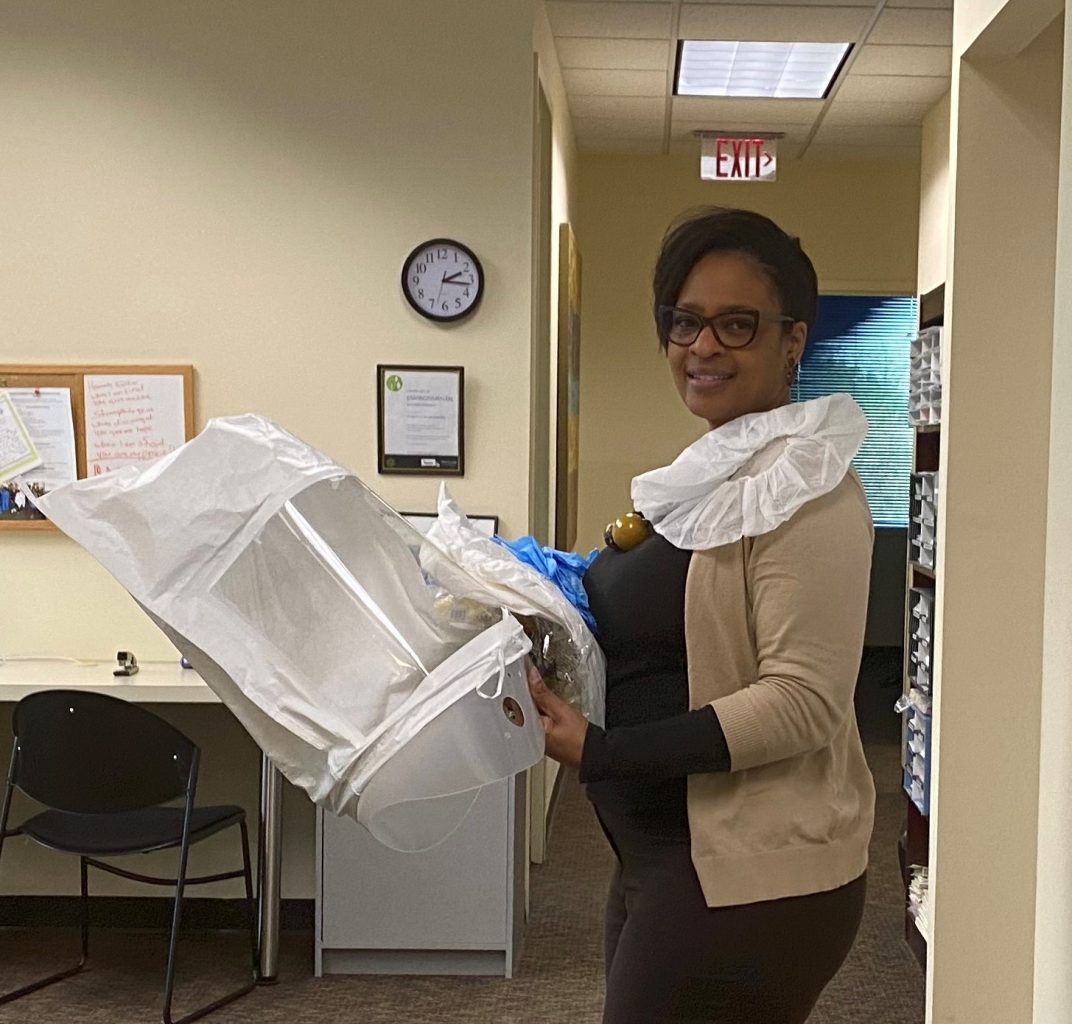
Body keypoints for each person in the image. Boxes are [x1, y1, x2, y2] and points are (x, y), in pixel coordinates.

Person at [528, 207, 876, 1024]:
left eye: (736, 325)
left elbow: (801, 700)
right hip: (663, 858)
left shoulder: (805, 489)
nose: (702, 346)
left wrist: (605, 751)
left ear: (792, 340)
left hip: (751, 875)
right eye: (684, 321)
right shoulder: (712, 473)